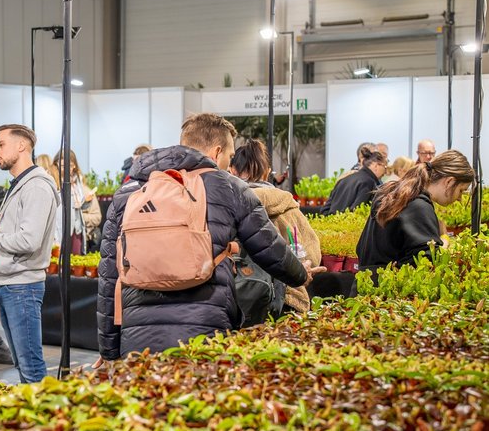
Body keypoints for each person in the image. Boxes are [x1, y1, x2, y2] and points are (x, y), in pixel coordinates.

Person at [97, 113, 321, 360]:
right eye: (230, 156)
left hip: (137, 333)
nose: (229, 164)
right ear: (216, 153)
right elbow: (269, 249)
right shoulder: (229, 187)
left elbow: (109, 277)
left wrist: (109, 350)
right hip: (204, 328)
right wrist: (301, 274)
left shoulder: (128, 193)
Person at [0, 124, 59, 383]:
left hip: (22, 285)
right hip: (11, 284)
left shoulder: (35, 187)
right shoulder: (22, 185)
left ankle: (42, 421)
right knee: (23, 364)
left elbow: (29, 239)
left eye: (1, 145)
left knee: (31, 365)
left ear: (21, 146)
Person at [229, 139, 321, 313]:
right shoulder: (286, 206)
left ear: (232, 170)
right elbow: (312, 254)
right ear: (268, 172)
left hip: (237, 295)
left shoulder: (225, 205)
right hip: (287, 300)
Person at [357, 150, 474, 274]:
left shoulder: (394, 192)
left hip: (365, 284)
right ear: (449, 182)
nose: (460, 199)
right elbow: (425, 264)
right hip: (386, 289)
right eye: (461, 190)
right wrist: (444, 240)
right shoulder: (418, 206)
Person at [52, 149, 102, 254]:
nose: (65, 169)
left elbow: (97, 217)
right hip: (57, 237)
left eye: (70, 165)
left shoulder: (84, 190)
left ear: (74, 165)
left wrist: (78, 216)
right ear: (56, 164)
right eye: (62, 166)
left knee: (75, 266)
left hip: (78, 235)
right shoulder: (52, 187)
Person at [320, 147, 387, 216]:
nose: (385, 172)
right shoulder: (369, 182)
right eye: (385, 167)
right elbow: (356, 211)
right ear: (376, 165)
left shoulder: (343, 179)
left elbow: (324, 210)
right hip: (350, 225)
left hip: (332, 224)